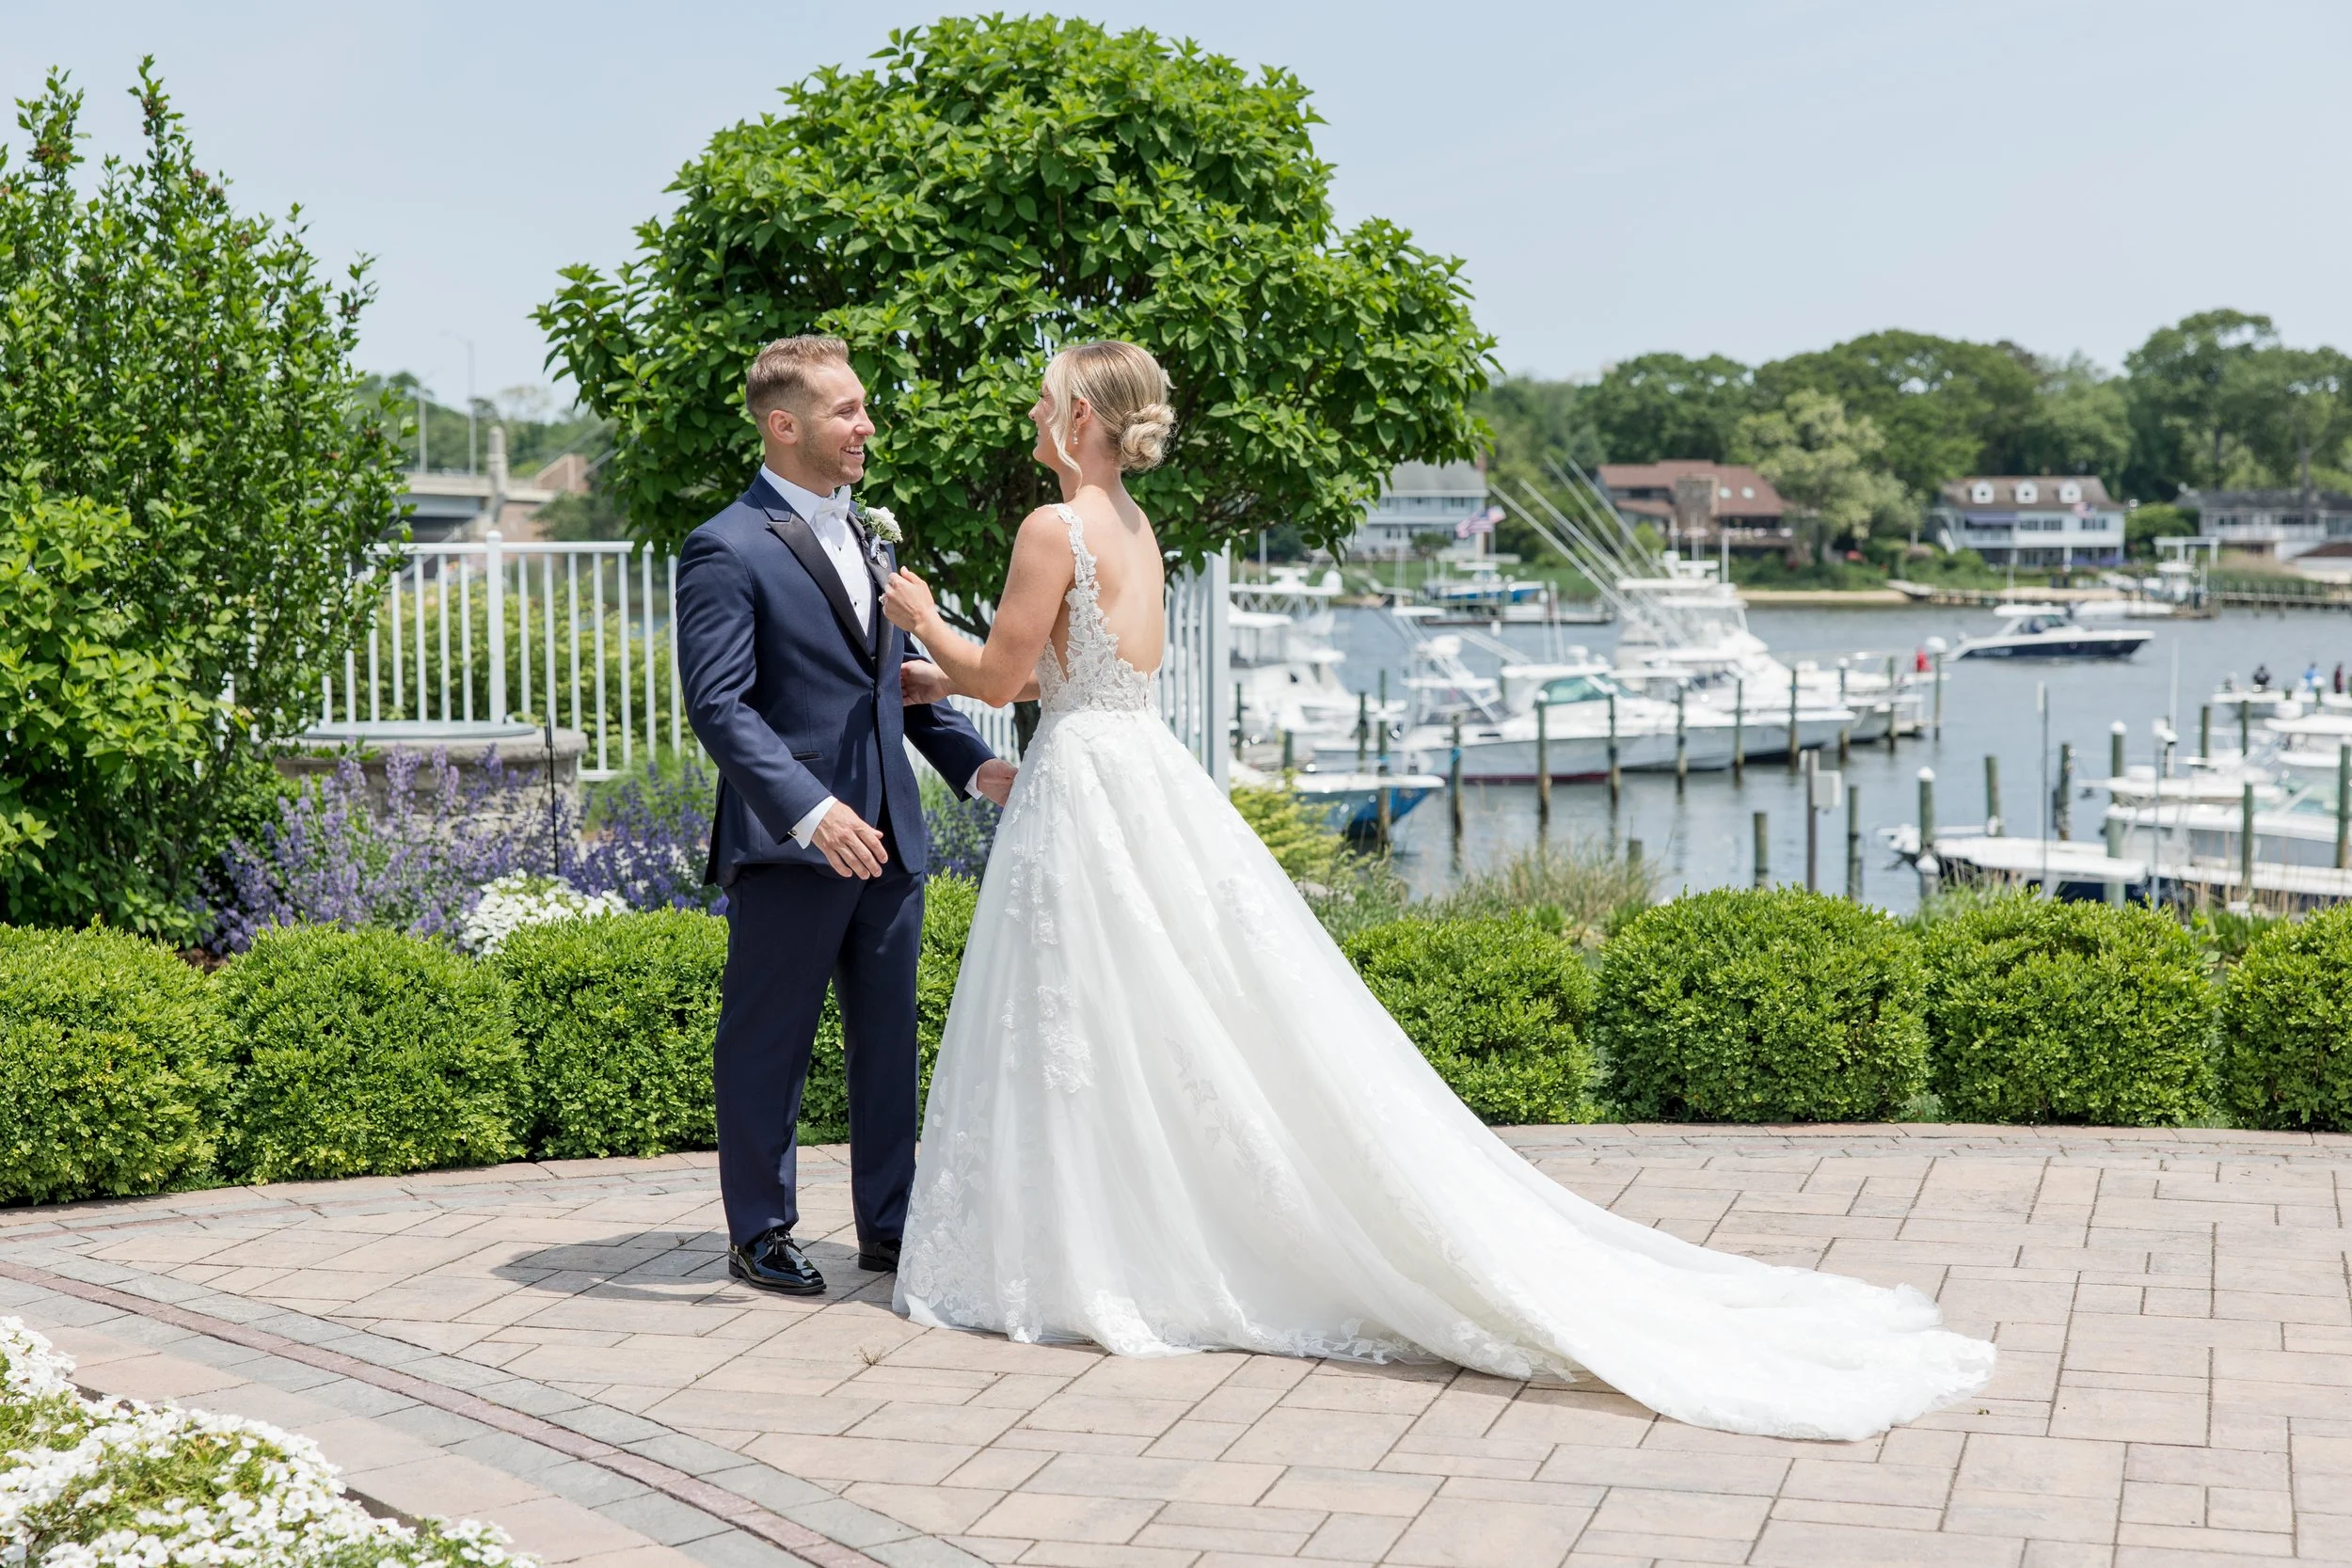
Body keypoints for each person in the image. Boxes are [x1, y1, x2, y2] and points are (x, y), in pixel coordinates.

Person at [876, 340, 1994, 1442]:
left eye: (1046, 398)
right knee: (1154, 1004)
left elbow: (1006, 680)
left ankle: (1093, 1246)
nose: (1035, 413)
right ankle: (1116, 1238)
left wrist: (924, 620)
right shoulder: (1132, 522)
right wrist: (952, 667)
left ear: (1081, 416)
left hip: (1084, 781)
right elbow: (1083, 663)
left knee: (1094, 1010)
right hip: (1139, 769)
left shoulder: (1053, 525)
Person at [675, 335, 1015, 1297]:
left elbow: (892, 682)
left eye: (863, 407)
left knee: (890, 1043)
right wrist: (811, 810)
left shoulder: (873, 536)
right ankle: (760, 1231)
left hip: (891, 838)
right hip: (794, 846)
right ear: (784, 424)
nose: (867, 425)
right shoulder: (724, 545)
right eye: (846, 411)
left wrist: (977, 766)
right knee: (767, 1042)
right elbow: (720, 706)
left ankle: (890, 1228)